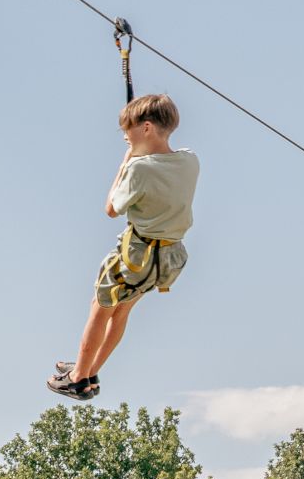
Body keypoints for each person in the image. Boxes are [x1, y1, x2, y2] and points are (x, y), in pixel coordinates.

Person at [49, 93, 198, 400]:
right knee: (123, 310)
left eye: (128, 131)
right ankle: (88, 370)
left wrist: (125, 162)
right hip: (167, 258)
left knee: (100, 308)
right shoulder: (189, 161)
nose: (125, 138)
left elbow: (111, 207)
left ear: (146, 128)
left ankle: (78, 377)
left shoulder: (139, 169)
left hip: (136, 255)